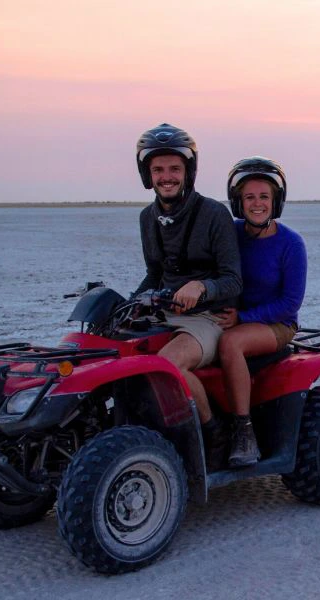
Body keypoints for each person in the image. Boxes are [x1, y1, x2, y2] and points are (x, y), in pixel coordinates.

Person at [134, 123, 242, 471]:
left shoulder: (213, 214)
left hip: (207, 318)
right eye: (158, 169)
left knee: (168, 364)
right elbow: (154, 273)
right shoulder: (147, 218)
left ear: (188, 172)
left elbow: (233, 280)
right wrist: (129, 302)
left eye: (174, 169)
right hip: (165, 313)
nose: (167, 177)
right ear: (147, 175)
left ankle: (213, 432)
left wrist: (203, 288)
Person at [216, 157, 307, 467]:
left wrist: (242, 319)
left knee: (231, 343)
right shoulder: (232, 233)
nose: (257, 204)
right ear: (238, 202)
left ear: (275, 201)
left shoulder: (291, 244)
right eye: (249, 197)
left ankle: (243, 431)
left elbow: (290, 303)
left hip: (277, 324)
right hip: (233, 316)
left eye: (264, 196)